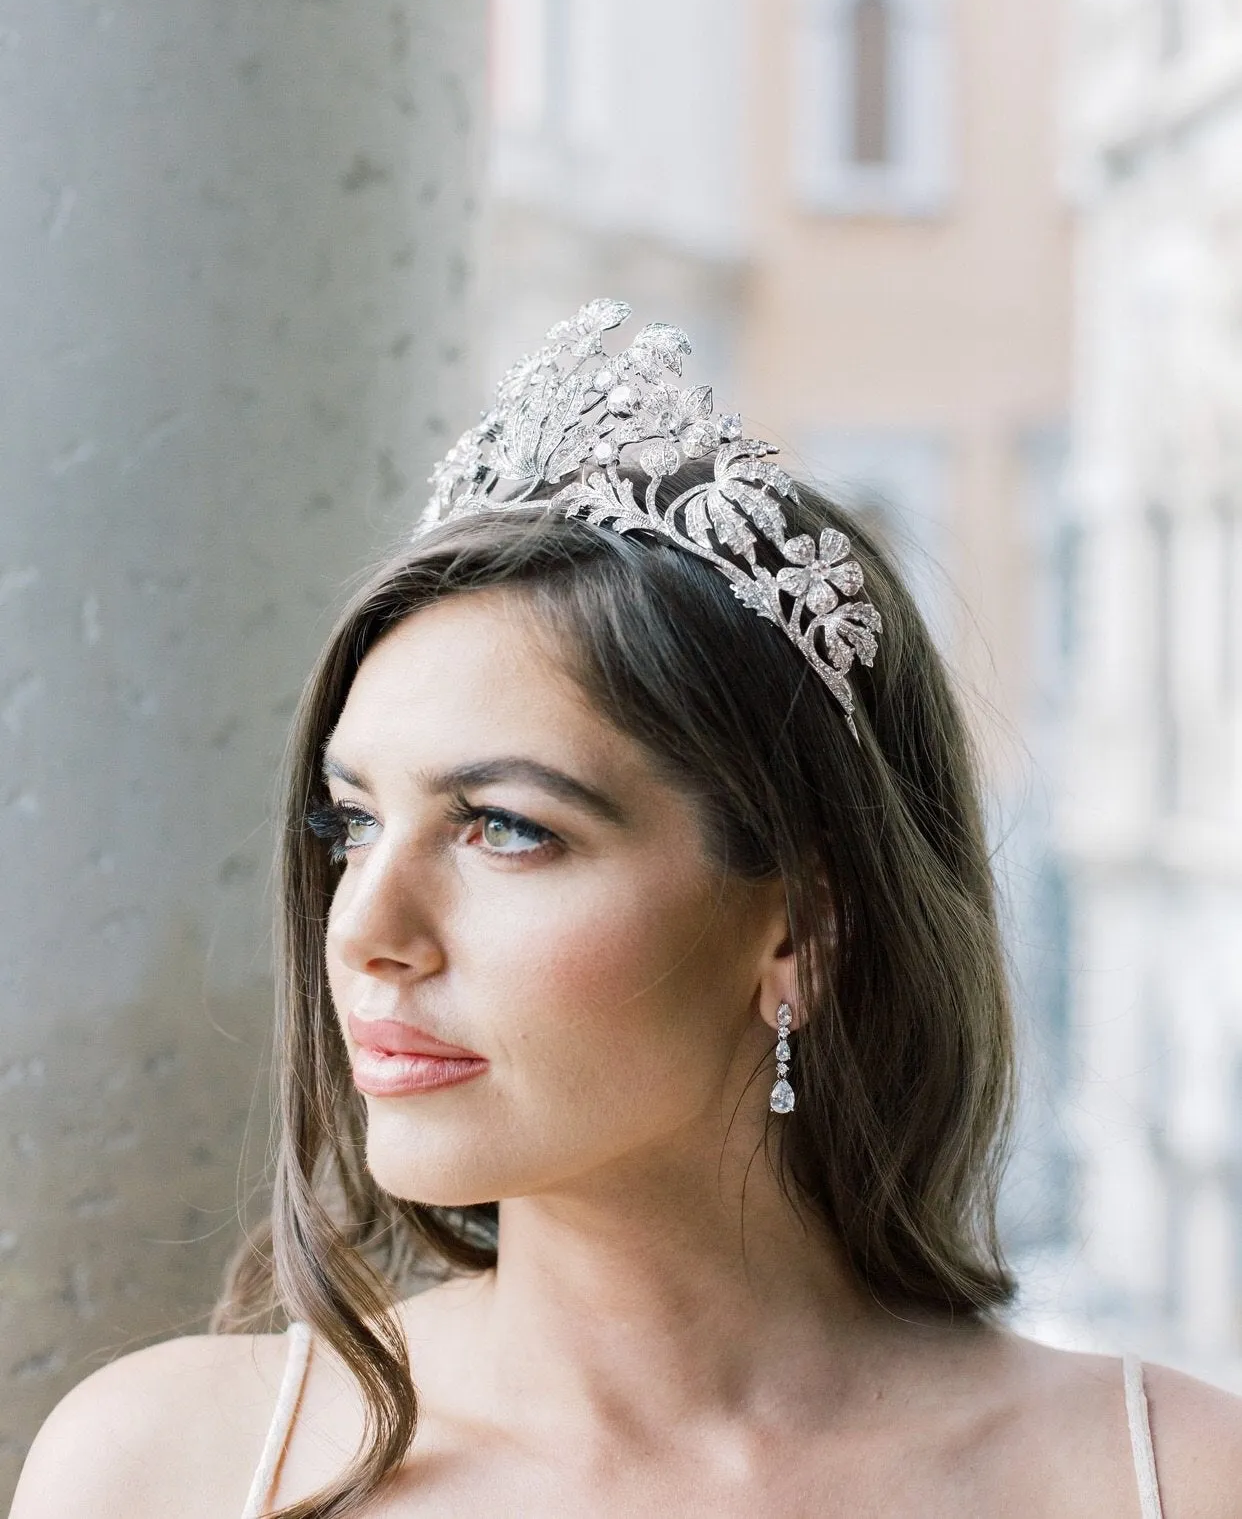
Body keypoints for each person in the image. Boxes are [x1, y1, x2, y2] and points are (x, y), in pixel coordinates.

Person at [12, 301, 1242, 1519]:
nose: (365, 930)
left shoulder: (1167, 1478)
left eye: (505, 827)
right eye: (352, 822)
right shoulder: (159, 1471)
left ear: (801, 928)